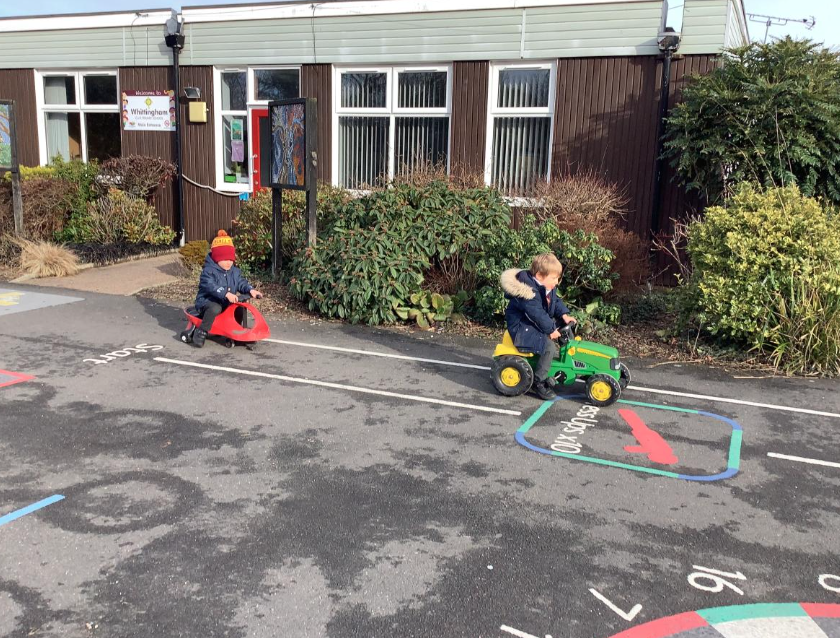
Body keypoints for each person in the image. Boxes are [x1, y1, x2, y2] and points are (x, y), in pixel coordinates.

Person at [500, 253, 576, 400]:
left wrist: (564, 315)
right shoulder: (527, 293)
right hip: (522, 327)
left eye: (557, 278)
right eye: (554, 278)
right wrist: (551, 330)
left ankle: (568, 359)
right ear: (540, 275)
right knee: (549, 347)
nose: (557, 282)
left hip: (533, 323)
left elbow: (556, 301)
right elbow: (537, 314)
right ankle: (539, 382)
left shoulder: (547, 286)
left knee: (565, 327)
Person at [193, 230, 262, 348]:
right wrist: (225, 293)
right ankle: (202, 332)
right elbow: (210, 286)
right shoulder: (208, 271)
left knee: (239, 307)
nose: (228, 263)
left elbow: (241, 282)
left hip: (226, 301)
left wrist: (250, 290)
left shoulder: (234, 271)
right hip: (207, 301)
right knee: (215, 308)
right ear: (216, 258)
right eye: (225, 259)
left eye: (230, 259)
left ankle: (235, 331)